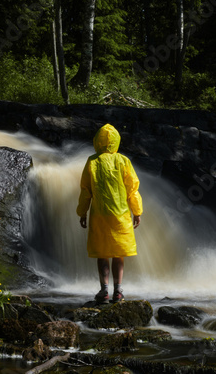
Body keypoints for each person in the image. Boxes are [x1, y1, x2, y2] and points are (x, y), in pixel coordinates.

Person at [76, 123, 143, 303]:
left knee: (102, 253)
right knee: (118, 253)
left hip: (99, 214)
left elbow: (86, 191)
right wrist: (137, 211)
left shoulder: (92, 161)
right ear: (116, 141)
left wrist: (82, 212)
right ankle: (118, 291)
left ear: (97, 141)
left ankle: (104, 290)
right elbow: (132, 190)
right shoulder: (123, 161)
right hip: (120, 214)